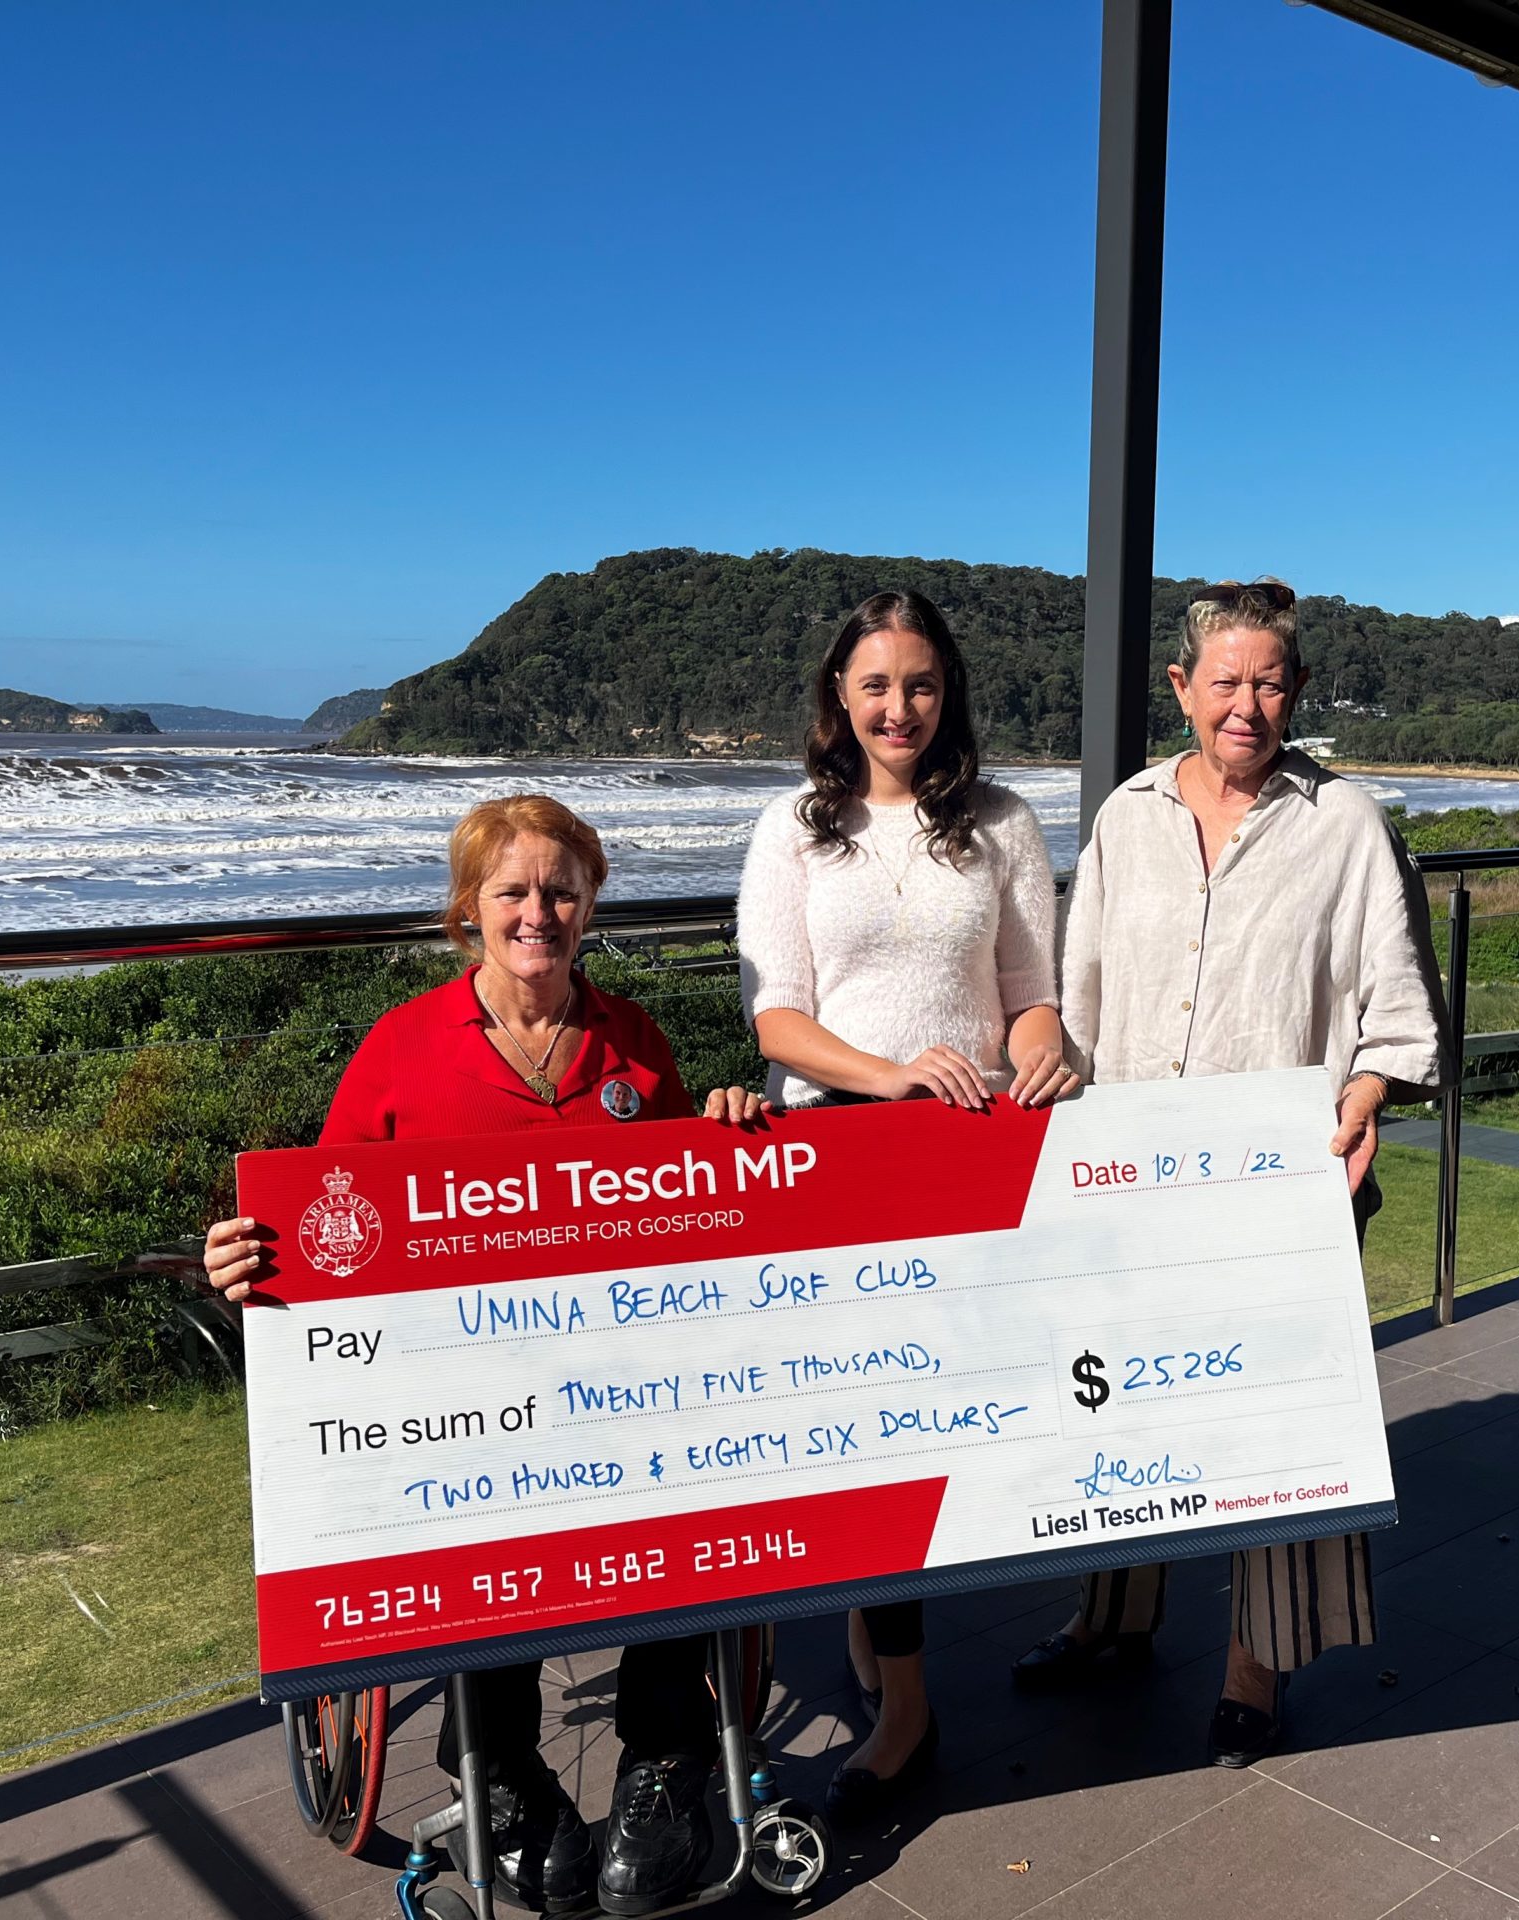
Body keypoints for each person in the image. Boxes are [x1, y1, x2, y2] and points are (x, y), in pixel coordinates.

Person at [204, 794, 768, 1919]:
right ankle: (502, 1770)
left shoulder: (635, 1042)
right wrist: (249, 1257)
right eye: (513, 890)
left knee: (692, 1494)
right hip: (463, 1394)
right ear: (470, 910)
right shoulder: (400, 1051)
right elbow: (328, 1223)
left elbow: (689, 1217)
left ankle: (665, 1763)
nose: (539, 912)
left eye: (562, 889)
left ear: (591, 901)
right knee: (479, 1525)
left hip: (618, 1382)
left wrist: (729, 1126)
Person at [1011, 577, 1445, 1767]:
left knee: (1274, 1426)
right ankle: (1110, 1621)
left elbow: (1396, 1006)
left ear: (1295, 691)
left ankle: (1258, 1667)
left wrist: (1365, 1098)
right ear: (1181, 690)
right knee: (1112, 1404)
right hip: (1133, 1184)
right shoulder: (1124, 819)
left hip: (1284, 1186)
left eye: (1267, 683)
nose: (1244, 705)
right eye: (1224, 682)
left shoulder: (1344, 823)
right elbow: (1079, 999)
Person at [736, 587, 1075, 1818]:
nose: (899, 708)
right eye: (875, 685)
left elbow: (1029, 988)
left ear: (950, 694)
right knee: (861, 1432)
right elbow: (776, 1019)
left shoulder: (1000, 822)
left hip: (966, 1157)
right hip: (837, 1153)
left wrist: (1044, 1048)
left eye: (920, 685)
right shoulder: (791, 829)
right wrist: (890, 1077)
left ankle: (896, 1673)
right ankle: (908, 1705)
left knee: (928, 1427)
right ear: (838, 695)